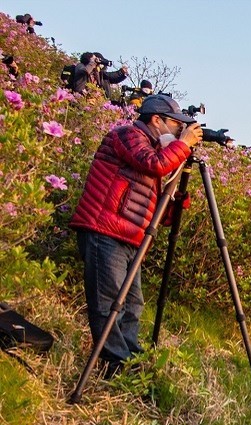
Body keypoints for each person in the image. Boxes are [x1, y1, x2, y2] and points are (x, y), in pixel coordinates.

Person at [69, 94, 201, 377]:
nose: (180, 131)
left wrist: (177, 200)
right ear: (156, 120)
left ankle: (128, 357)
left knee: (132, 304)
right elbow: (152, 164)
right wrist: (183, 145)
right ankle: (116, 367)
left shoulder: (154, 150)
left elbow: (157, 213)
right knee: (108, 303)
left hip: (128, 237)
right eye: (176, 125)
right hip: (104, 230)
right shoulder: (127, 135)